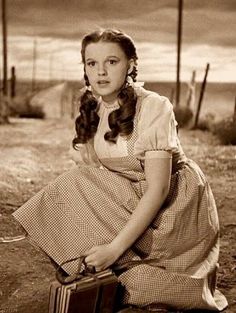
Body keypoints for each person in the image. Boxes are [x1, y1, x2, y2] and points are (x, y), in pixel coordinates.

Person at [13, 28, 228, 312]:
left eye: (112, 62)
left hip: (174, 209)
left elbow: (159, 189)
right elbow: (92, 178)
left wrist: (114, 249)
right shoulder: (92, 107)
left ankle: (133, 274)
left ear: (131, 65)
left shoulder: (154, 106)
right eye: (92, 63)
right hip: (130, 195)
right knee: (70, 184)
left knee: (81, 191)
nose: (101, 72)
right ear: (85, 69)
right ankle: (97, 268)